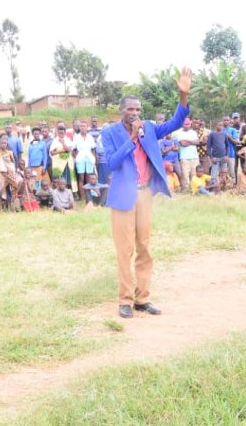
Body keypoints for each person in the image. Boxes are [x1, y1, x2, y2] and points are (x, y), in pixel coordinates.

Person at [101, 67, 192, 319]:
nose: (135, 113)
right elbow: (112, 163)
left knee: (144, 247)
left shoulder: (149, 128)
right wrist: (131, 139)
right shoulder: (109, 132)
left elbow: (175, 122)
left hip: (145, 194)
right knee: (125, 250)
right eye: (130, 109)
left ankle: (142, 299)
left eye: (138, 109)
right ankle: (125, 300)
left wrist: (183, 95)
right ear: (121, 111)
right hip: (123, 197)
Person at [0, 135, 22, 211]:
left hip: (10, 174)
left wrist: (12, 170)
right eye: (2, 143)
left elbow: (13, 162)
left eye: (5, 143)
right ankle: (0, 208)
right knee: (1, 190)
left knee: (10, 189)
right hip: (1, 175)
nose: (3, 145)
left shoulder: (10, 152)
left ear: (7, 144)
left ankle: (10, 206)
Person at [49, 123, 77, 194]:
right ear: (58, 132)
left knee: (67, 178)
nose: (61, 134)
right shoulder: (55, 140)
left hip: (67, 163)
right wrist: (62, 150)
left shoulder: (68, 140)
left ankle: (67, 193)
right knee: (58, 179)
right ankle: (58, 193)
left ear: (65, 132)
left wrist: (63, 143)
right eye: (59, 133)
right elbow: (52, 152)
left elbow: (69, 149)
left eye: (62, 133)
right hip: (58, 164)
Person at [176, 118, 199, 191]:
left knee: (194, 174)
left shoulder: (193, 132)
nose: (187, 126)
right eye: (185, 124)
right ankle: (186, 190)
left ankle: (194, 189)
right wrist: (192, 142)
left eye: (188, 124)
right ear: (182, 124)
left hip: (194, 157)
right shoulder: (179, 133)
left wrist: (188, 141)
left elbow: (197, 142)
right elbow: (183, 143)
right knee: (185, 175)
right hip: (184, 157)